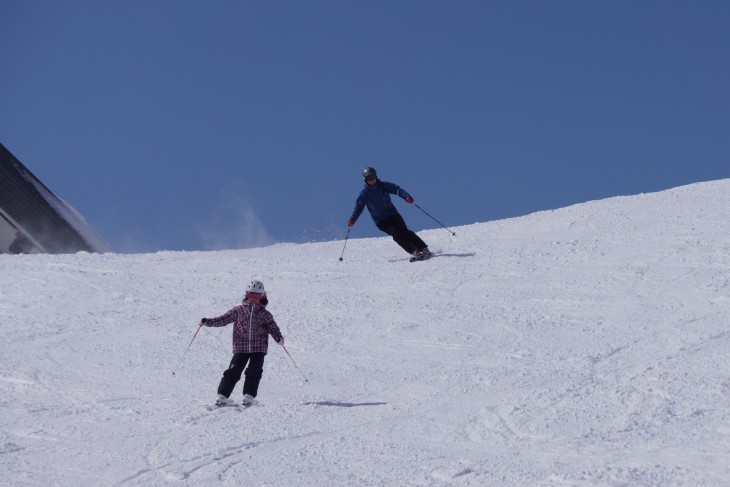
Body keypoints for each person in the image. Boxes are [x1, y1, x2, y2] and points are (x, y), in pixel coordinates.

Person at [201, 279, 283, 406]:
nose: (253, 299)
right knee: (233, 371)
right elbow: (223, 319)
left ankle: (249, 396)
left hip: (258, 348)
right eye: (251, 296)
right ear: (246, 295)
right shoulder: (238, 310)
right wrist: (207, 321)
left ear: (262, 297)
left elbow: (273, 327)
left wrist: (278, 337)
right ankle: (222, 395)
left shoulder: (265, 314)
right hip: (241, 347)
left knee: (254, 372)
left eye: (256, 296)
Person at [348, 166, 431, 261]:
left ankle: (423, 248)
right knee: (396, 234)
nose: (372, 180)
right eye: (369, 179)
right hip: (381, 221)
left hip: (393, 215)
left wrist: (406, 197)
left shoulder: (383, 186)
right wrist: (352, 219)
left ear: (376, 176)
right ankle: (414, 251)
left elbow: (397, 189)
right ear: (365, 180)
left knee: (404, 231)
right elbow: (358, 208)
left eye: (373, 178)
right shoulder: (364, 194)